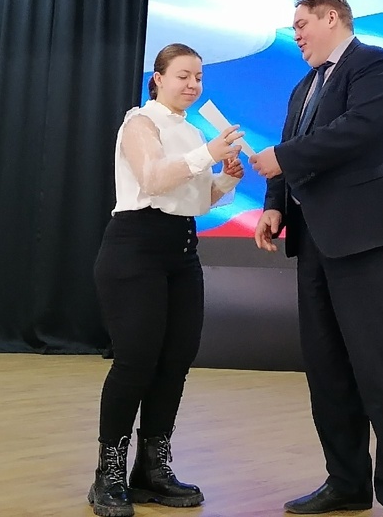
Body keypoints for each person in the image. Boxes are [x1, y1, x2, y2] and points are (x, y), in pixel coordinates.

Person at [249, 0, 383, 517]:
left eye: (302, 24)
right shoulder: (303, 86)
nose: (296, 35)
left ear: (332, 17)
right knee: (326, 369)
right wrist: (274, 205)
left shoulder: (374, 65)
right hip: (314, 242)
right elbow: (289, 149)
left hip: (369, 238)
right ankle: (347, 483)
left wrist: (282, 159)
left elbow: (356, 132)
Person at [88, 42, 244, 517]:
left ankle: (152, 469)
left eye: (198, 76)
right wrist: (208, 153)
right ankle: (108, 474)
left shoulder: (190, 131)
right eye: (182, 75)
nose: (193, 84)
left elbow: (193, 201)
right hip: (135, 250)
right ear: (157, 79)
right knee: (136, 362)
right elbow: (153, 180)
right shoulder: (141, 122)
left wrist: (226, 179)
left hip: (181, 250)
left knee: (175, 360)